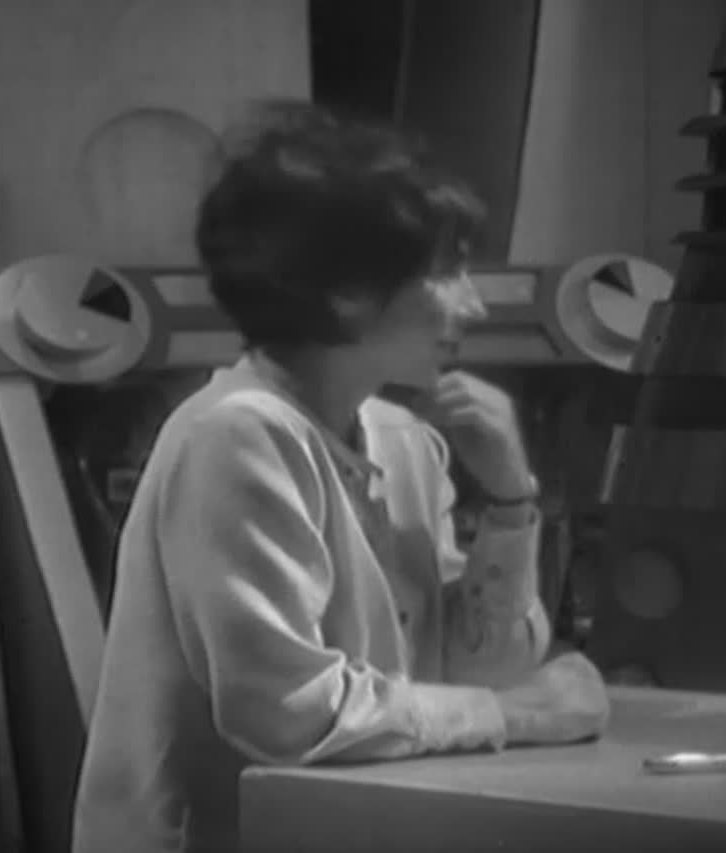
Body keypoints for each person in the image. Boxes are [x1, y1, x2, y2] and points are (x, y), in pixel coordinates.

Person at [71, 101, 610, 852]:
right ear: (348, 291)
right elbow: (288, 713)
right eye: (447, 272)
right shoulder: (238, 434)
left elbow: (479, 668)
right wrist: (518, 715)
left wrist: (512, 501)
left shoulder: (405, 440)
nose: (475, 302)